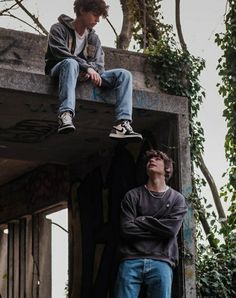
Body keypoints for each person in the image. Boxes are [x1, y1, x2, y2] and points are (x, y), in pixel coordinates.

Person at [45, 0, 142, 140]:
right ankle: (65, 115)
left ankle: (122, 125)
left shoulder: (93, 38)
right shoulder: (58, 29)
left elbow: (99, 65)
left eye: (99, 16)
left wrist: (89, 70)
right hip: (59, 70)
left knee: (124, 75)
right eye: (95, 15)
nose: (97, 20)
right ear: (83, 10)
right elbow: (60, 53)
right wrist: (87, 67)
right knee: (71, 63)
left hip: (86, 75)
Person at [115, 149, 188, 298]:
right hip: (131, 259)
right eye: (149, 160)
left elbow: (170, 230)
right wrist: (158, 228)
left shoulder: (177, 199)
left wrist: (141, 219)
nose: (151, 161)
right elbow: (126, 229)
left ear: (167, 168)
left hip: (162, 260)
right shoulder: (133, 195)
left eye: (157, 159)